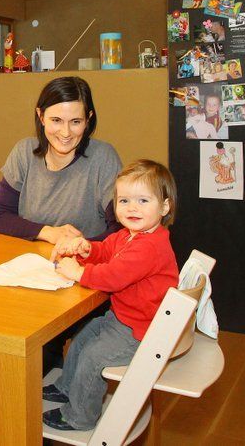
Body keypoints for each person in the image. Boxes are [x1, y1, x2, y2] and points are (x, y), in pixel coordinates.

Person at [0, 76, 122, 446]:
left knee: (28, 343)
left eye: (76, 121)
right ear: (40, 116)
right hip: (25, 274)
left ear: (89, 119)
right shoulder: (24, 153)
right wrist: (50, 233)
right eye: (56, 120)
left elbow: (118, 232)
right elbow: (0, 217)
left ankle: (22, 423)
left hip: (79, 284)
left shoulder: (103, 159)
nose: (65, 132)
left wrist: (79, 246)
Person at [42, 159, 179, 431]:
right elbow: (105, 250)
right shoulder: (129, 235)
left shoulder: (149, 247)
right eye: (124, 200)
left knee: (93, 358)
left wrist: (78, 272)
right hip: (123, 318)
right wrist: (87, 249)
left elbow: (113, 276)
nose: (132, 208)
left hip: (140, 331)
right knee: (82, 338)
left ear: (164, 207)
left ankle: (80, 416)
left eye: (143, 201)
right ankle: (67, 387)